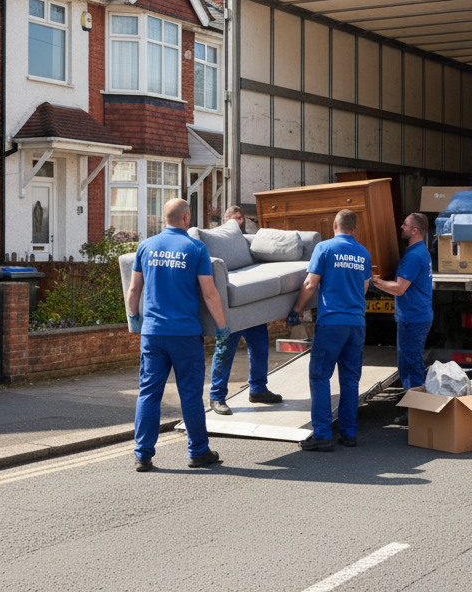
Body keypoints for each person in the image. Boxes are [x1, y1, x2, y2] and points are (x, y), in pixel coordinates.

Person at [126, 199, 230, 472]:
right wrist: (222, 327)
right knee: (190, 395)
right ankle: (198, 452)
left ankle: (143, 455)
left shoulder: (146, 246)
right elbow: (209, 292)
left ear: (164, 219)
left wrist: (134, 320)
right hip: (185, 334)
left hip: (153, 334)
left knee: (148, 394)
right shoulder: (196, 248)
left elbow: (133, 290)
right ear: (186, 219)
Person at [287, 209, 371, 451]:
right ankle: (348, 433)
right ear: (354, 229)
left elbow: (310, 283)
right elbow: (364, 288)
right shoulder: (363, 253)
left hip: (332, 323)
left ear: (335, 225)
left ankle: (323, 434)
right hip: (356, 324)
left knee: (320, 376)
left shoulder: (324, 248)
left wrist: (296, 309)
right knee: (350, 379)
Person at [208, 206, 282, 415]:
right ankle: (217, 396)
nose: (240, 222)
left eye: (242, 218)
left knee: (260, 348)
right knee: (225, 351)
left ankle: (258, 389)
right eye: (236, 218)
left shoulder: (247, 241)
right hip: (231, 310)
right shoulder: (218, 240)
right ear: (226, 221)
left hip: (251, 305)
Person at [370, 213, 432, 427]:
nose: (401, 226)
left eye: (405, 224)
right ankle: (415, 408)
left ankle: (417, 412)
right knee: (408, 364)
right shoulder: (418, 252)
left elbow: (399, 288)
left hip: (413, 319)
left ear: (415, 230)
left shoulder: (414, 256)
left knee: (411, 365)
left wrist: (374, 282)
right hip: (415, 316)